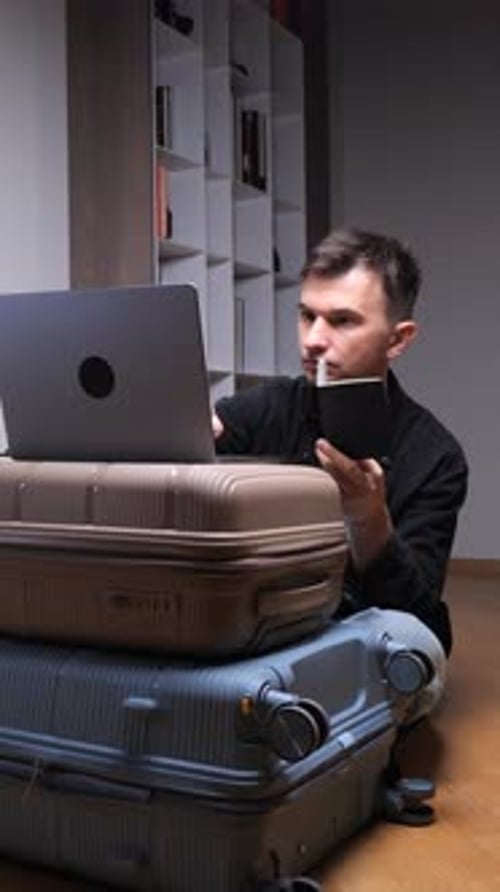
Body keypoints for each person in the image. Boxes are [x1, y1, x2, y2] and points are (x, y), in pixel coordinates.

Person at [213, 227, 468, 680]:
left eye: (342, 320)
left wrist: (369, 519)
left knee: (414, 648)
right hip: (252, 617)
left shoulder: (435, 456)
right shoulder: (265, 408)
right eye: (306, 316)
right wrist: (184, 440)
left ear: (398, 340)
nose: (313, 339)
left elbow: (418, 617)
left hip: (354, 632)